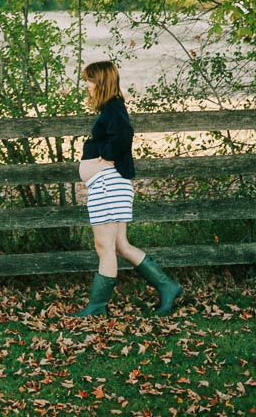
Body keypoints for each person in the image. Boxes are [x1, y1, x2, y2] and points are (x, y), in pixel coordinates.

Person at [74, 59, 183, 318]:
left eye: (90, 80)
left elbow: (124, 135)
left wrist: (106, 154)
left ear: (101, 81)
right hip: (110, 184)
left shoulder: (113, 108)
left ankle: (97, 308)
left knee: (104, 246)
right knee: (120, 245)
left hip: (108, 185)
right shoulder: (112, 108)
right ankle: (168, 286)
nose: (87, 86)